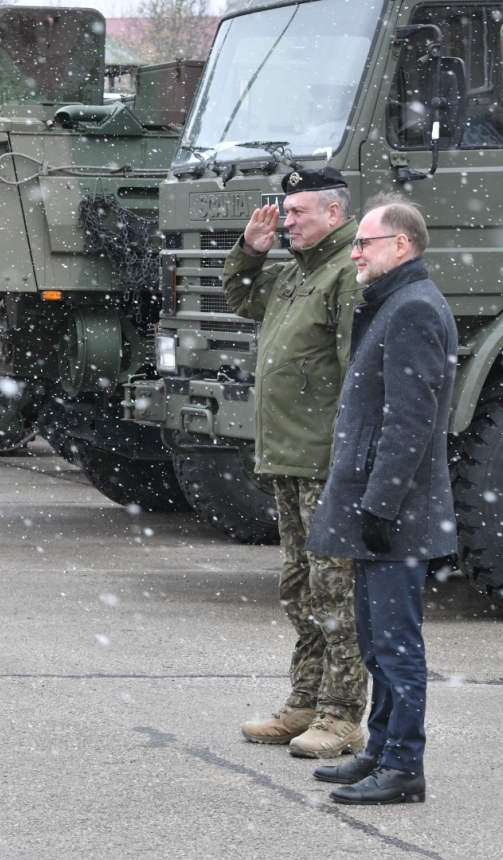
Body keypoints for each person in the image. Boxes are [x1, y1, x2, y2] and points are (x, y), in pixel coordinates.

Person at [307, 195, 456, 805]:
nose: (356, 252)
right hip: (381, 507)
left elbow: (409, 423)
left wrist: (381, 503)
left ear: (401, 245)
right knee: (375, 641)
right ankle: (378, 750)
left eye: (365, 242)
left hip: (395, 512)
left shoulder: (414, 308)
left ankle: (403, 767)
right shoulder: (395, 303)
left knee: (395, 645)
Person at [226, 167, 369, 758]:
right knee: (299, 589)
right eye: (284, 214)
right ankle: (305, 702)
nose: (286, 223)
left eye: (297, 214)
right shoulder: (295, 272)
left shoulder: (345, 276)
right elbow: (241, 300)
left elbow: (357, 375)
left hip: (324, 462)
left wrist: (348, 460)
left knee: (335, 594)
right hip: (289, 459)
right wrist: (250, 252)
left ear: (333, 214)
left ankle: (342, 717)